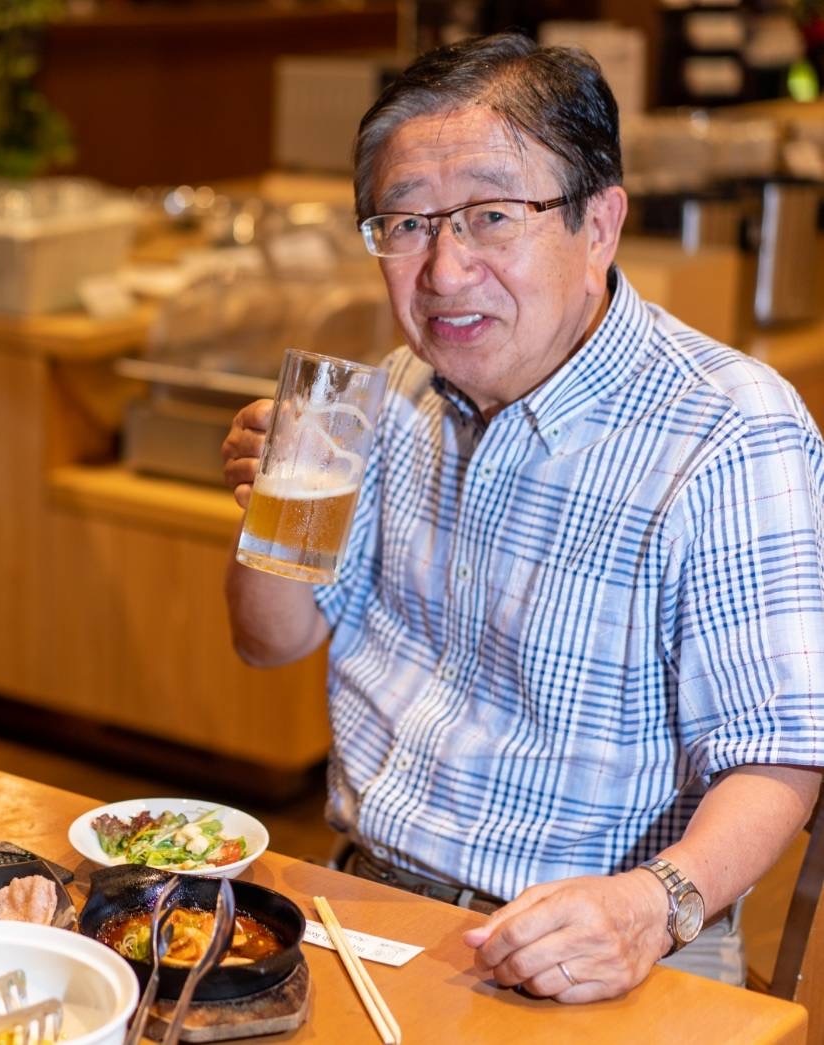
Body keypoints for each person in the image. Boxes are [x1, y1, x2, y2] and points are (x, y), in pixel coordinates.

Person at [223, 33, 824, 1001]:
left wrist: (647, 905)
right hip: (363, 908)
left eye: (491, 217)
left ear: (599, 224)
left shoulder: (727, 431)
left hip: (606, 948)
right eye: (406, 224)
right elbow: (266, 639)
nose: (445, 271)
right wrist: (268, 518)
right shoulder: (383, 396)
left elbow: (781, 750)